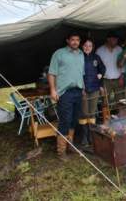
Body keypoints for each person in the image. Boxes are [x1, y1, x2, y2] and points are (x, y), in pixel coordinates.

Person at [48, 31, 84, 160]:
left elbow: (80, 73)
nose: (75, 42)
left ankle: (70, 145)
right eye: (73, 39)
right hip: (64, 92)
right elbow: (52, 73)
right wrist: (53, 90)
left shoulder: (81, 54)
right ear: (68, 41)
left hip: (78, 91)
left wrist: (83, 87)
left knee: (74, 120)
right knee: (65, 120)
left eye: (77, 40)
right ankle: (61, 151)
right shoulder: (59, 54)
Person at [80, 38, 106, 147]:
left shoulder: (96, 57)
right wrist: (81, 88)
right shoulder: (78, 57)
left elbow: (103, 69)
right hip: (83, 90)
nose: (87, 48)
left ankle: (91, 136)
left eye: (90, 46)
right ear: (82, 46)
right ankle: (84, 137)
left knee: (92, 112)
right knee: (84, 113)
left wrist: (100, 76)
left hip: (94, 88)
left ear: (92, 47)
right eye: (85, 45)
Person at [96, 32, 125, 107]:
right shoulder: (100, 51)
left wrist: (122, 77)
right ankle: (107, 118)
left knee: (121, 100)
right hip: (105, 81)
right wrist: (100, 82)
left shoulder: (119, 49)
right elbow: (97, 67)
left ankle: (121, 118)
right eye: (113, 39)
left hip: (118, 79)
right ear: (108, 39)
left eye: (116, 40)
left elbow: (123, 64)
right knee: (105, 101)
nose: (115, 41)